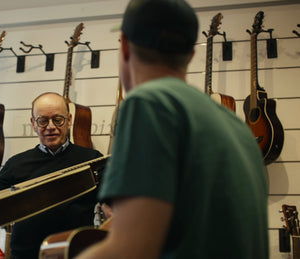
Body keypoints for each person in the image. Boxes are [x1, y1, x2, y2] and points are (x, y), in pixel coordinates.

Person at [76, 0, 268, 258]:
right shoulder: (236, 126)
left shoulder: (150, 102)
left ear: (124, 47)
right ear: (189, 54)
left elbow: (130, 250)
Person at [0, 92, 103, 259]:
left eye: (58, 119)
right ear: (33, 124)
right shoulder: (15, 164)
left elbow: (113, 206)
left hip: (76, 255)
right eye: (43, 120)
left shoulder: (92, 160)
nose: (50, 126)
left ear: (69, 120)